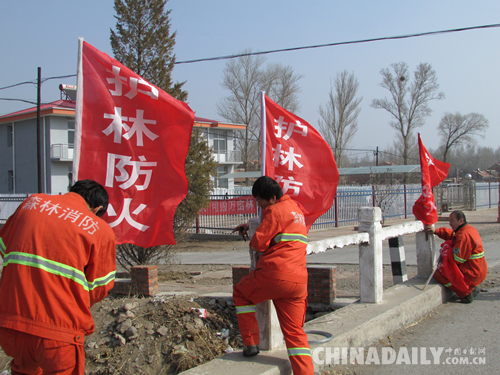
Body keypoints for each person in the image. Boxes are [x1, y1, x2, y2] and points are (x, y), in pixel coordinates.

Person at [0, 180, 116, 375]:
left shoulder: (31, 204)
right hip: (58, 334)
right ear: (97, 209)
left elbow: (5, 247)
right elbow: (99, 288)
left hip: (13, 327)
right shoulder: (99, 229)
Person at [232, 176, 313, 375]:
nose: (259, 205)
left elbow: (259, 243)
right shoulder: (297, 211)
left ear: (273, 197)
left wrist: (253, 236)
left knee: (241, 293)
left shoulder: (274, 210)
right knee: (295, 333)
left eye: (259, 200)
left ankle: (251, 344)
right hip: (299, 281)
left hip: (275, 275)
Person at [425, 210, 487, 303]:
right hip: (478, 270)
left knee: (439, 274)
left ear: (460, 220)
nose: (450, 223)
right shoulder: (468, 229)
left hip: (471, 272)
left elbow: (458, 259)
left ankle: (466, 293)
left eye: (452, 220)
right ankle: (472, 287)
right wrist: (436, 231)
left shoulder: (463, 236)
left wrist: (447, 251)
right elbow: (452, 235)